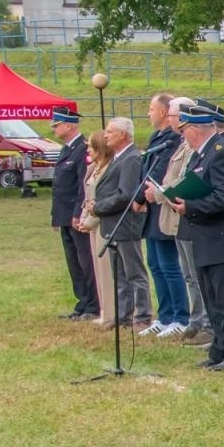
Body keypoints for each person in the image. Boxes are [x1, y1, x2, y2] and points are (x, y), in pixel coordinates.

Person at [155, 102, 224, 371]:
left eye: (184, 130)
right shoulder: (201, 154)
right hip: (206, 235)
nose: (182, 136)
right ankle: (220, 349)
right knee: (213, 298)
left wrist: (190, 206)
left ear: (194, 130)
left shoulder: (221, 151)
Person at [154, 97, 213, 348]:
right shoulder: (180, 143)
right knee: (189, 274)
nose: (171, 119)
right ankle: (197, 319)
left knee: (197, 275)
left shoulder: (195, 147)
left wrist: (158, 193)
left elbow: (187, 180)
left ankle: (206, 323)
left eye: (175, 115)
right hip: (179, 215)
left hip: (190, 213)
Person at [90, 117, 151, 328]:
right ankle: (124, 316)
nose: (105, 135)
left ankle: (142, 316)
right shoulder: (119, 158)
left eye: (110, 131)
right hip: (113, 223)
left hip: (125, 223)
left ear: (122, 135)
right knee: (120, 275)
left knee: (134, 272)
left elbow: (125, 194)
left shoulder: (132, 158)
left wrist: (98, 207)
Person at [137, 93, 189, 338]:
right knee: (155, 264)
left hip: (163, 206)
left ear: (164, 113)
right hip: (152, 206)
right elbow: (145, 168)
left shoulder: (173, 140)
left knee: (170, 265)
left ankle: (181, 316)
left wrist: (142, 196)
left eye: (152, 108)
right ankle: (165, 314)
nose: (149, 113)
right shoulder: (157, 137)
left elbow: (159, 172)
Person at [49, 107, 99, 320]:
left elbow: (82, 184)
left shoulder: (83, 149)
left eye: (56, 125)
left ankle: (93, 305)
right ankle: (82, 302)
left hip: (76, 214)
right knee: (73, 261)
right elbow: (59, 186)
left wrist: (79, 212)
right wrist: (55, 216)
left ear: (69, 125)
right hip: (64, 214)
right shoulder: (65, 149)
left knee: (85, 260)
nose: (53, 129)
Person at [80, 130, 117, 327]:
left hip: (103, 222)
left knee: (106, 271)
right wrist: (84, 218)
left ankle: (111, 313)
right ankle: (104, 309)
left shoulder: (108, 169)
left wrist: (90, 220)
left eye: (90, 146)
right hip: (92, 221)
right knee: (97, 269)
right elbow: (88, 196)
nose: (87, 149)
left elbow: (104, 199)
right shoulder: (95, 167)